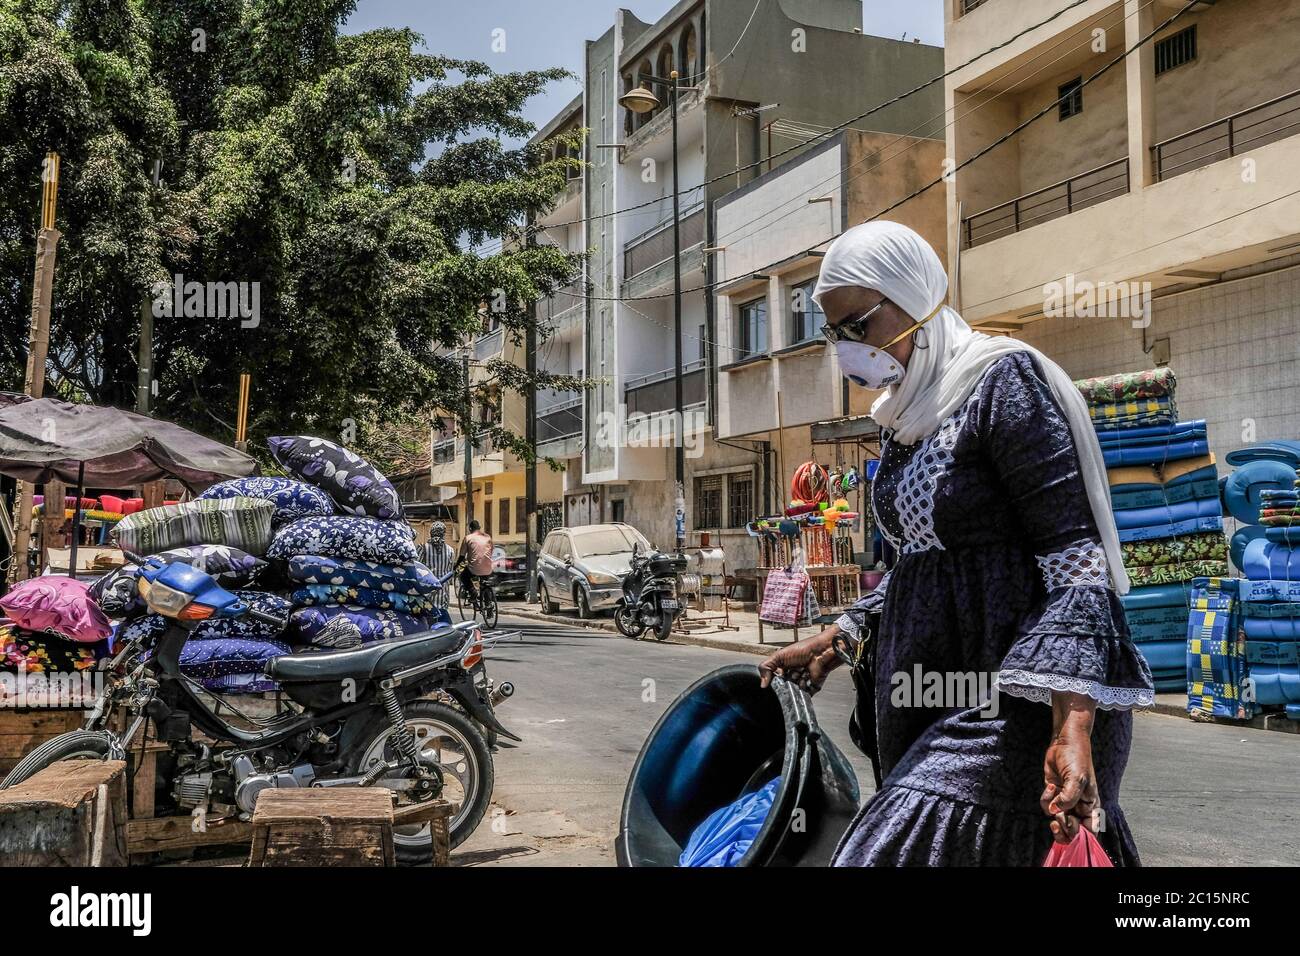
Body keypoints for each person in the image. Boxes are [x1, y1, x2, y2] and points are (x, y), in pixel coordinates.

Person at [759, 221, 1154, 867]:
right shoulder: (908, 415)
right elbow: (926, 566)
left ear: (913, 299)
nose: (847, 348)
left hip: (1017, 705)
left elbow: (1077, 564)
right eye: (835, 334)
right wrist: (840, 639)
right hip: (932, 692)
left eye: (857, 325)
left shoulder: (1002, 383)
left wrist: (1073, 728)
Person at [457, 519, 494, 604]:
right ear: (479, 528)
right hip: (488, 567)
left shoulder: (468, 538)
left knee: (463, 576)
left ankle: (472, 592)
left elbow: (462, 556)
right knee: (484, 582)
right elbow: (491, 551)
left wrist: (456, 565)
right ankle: (488, 605)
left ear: (470, 529)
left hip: (474, 568)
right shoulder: (487, 537)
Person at [422, 522, 456, 610]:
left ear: (431, 533)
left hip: (427, 592)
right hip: (443, 593)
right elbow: (450, 572)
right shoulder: (450, 550)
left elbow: (417, 569)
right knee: (443, 620)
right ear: (444, 533)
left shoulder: (423, 548)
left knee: (428, 618)